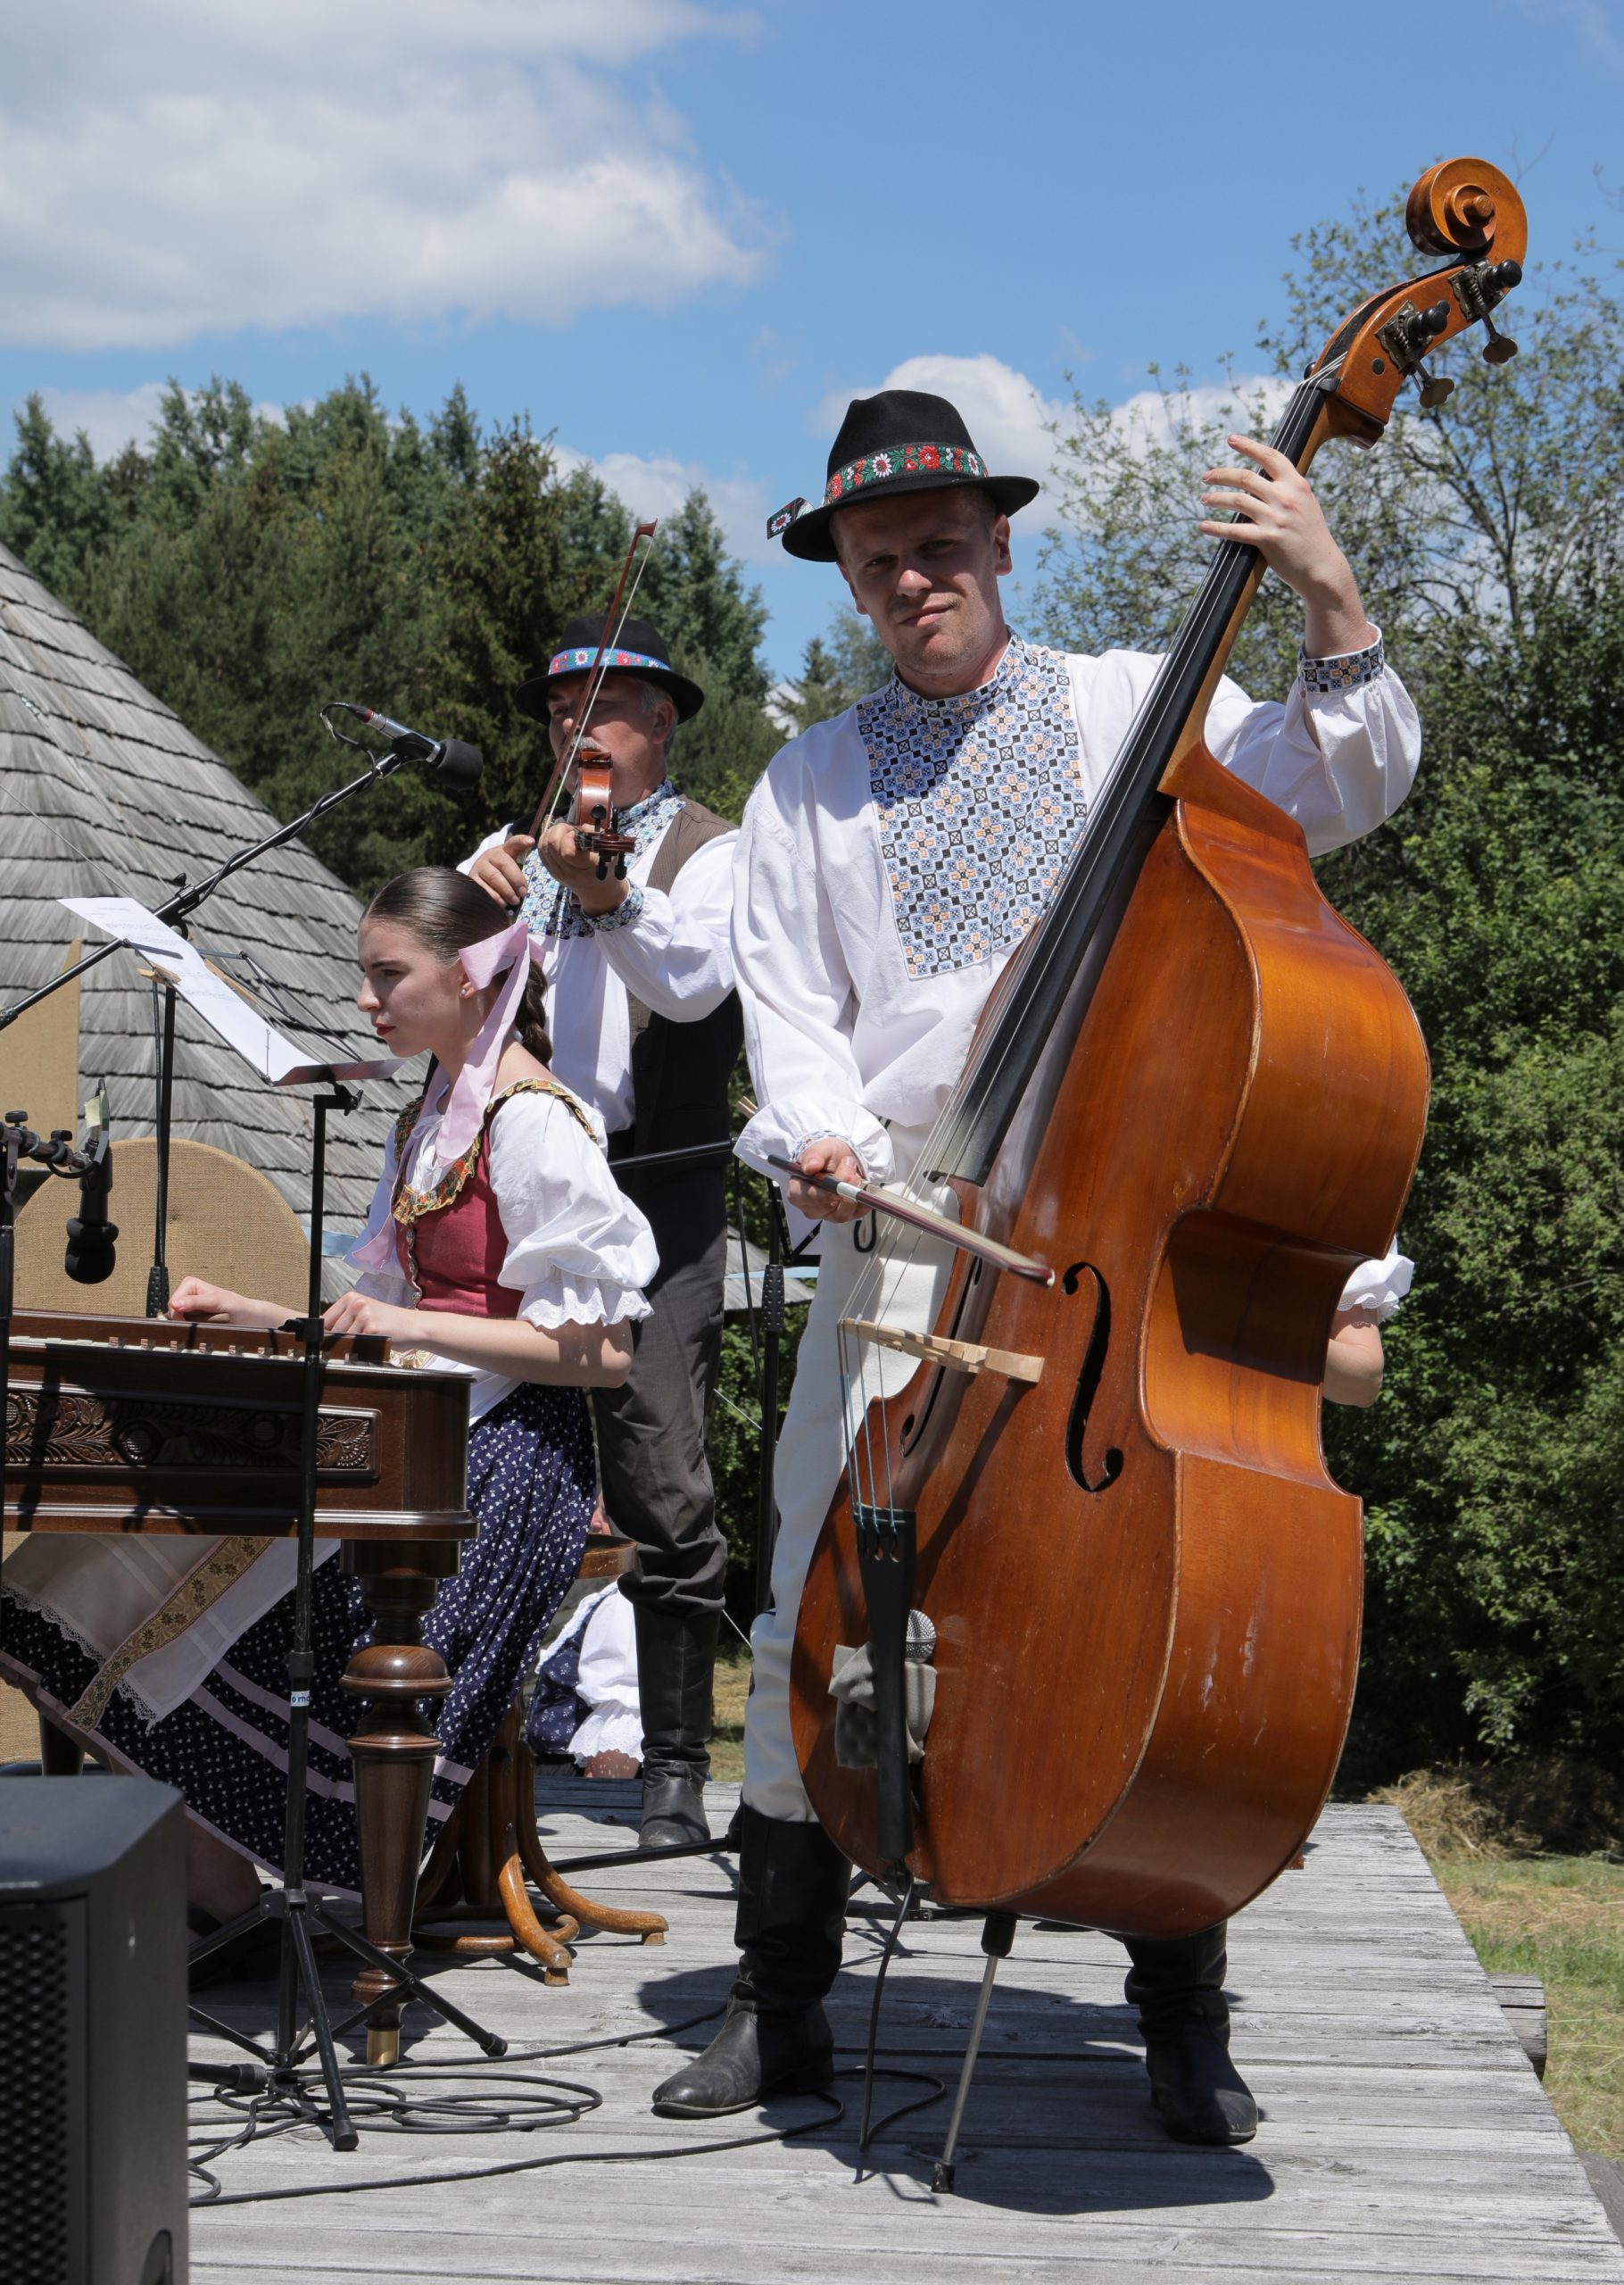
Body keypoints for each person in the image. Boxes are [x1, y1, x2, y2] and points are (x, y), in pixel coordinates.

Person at [650, 387, 1423, 2142]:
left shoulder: (1129, 711)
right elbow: (792, 1027)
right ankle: (779, 2011)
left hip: (1107, 1229)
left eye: (938, 544)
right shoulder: (807, 783)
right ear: (847, 581)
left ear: (998, 542)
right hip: (904, 1236)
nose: (914, 577)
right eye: (876, 559)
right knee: (812, 1594)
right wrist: (826, 1144)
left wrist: (1326, 592)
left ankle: (1178, 2015)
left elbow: (1346, 787)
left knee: (1152, 1604)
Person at [0, 868, 656, 1924]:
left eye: (386, 974)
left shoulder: (534, 1119)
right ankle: (213, 1899)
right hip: (409, 1420)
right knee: (96, 1576)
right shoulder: (432, 1115)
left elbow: (602, 1350)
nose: (365, 1000)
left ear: (470, 975)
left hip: (501, 1458)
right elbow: (388, 1308)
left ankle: (248, 1903)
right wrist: (263, 1315)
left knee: (219, 1607)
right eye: (366, 975)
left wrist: (405, 1327)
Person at [464, 613, 740, 1849]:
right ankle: (482, 1735)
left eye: (604, 707)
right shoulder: (521, 855)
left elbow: (693, 983)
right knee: (495, 1451)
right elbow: (461, 1026)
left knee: (662, 1471)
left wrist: (601, 887)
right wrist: (472, 924)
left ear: (661, 721)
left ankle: (676, 1766)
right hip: (539, 1182)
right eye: (561, 711)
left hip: (661, 1184)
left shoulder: (714, 848)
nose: (577, 728)